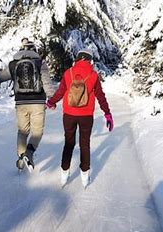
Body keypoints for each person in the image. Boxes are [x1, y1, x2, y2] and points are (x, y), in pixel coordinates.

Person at [0, 38, 55, 172]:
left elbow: (0, 76)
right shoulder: (40, 63)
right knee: (37, 132)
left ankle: (21, 160)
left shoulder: (13, 65)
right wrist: (52, 98)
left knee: (23, 131)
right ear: (34, 50)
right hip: (38, 103)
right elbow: (46, 82)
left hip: (20, 103)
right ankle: (29, 153)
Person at [46, 48, 114, 188]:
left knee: (69, 143)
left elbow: (60, 92)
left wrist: (51, 102)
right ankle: (84, 175)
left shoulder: (68, 73)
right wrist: (107, 113)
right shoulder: (94, 75)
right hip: (86, 116)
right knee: (85, 144)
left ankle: (64, 174)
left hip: (69, 115)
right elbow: (100, 96)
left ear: (77, 59)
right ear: (90, 60)